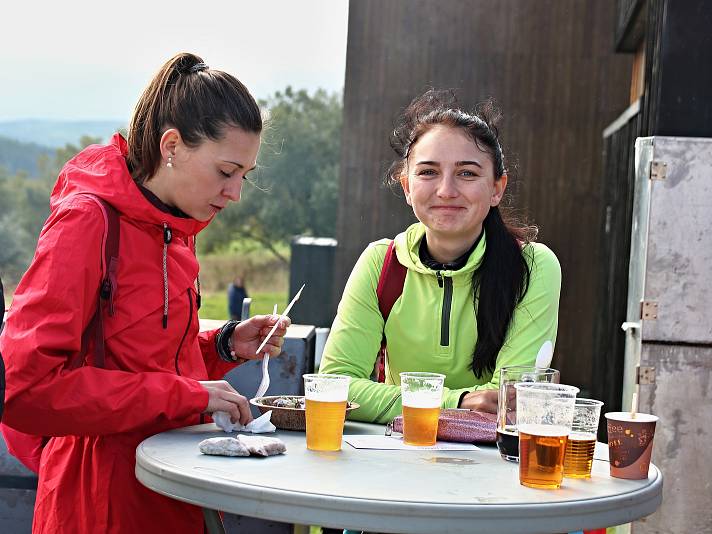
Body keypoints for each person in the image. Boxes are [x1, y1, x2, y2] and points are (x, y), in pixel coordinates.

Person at [0, 53, 289, 533]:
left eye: (246, 175)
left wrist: (223, 344)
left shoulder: (177, 227)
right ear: (171, 145)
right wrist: (185, 395)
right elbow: (24, 387)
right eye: (226, 171)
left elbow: (143, 361)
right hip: (100, 503)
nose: (236, 192)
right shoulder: (88, 221)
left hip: (179, 491)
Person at [320, 89, 561, 423]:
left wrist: (401, 402)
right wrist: (458, 402)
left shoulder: (533, 267)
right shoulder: (380, 263)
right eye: (428, 172)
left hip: (488, 469)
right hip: (393, 461)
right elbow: (336, 387)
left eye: (467, 173)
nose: (446, 190)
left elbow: (507, 405)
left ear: (496, 188)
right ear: (406, 186)